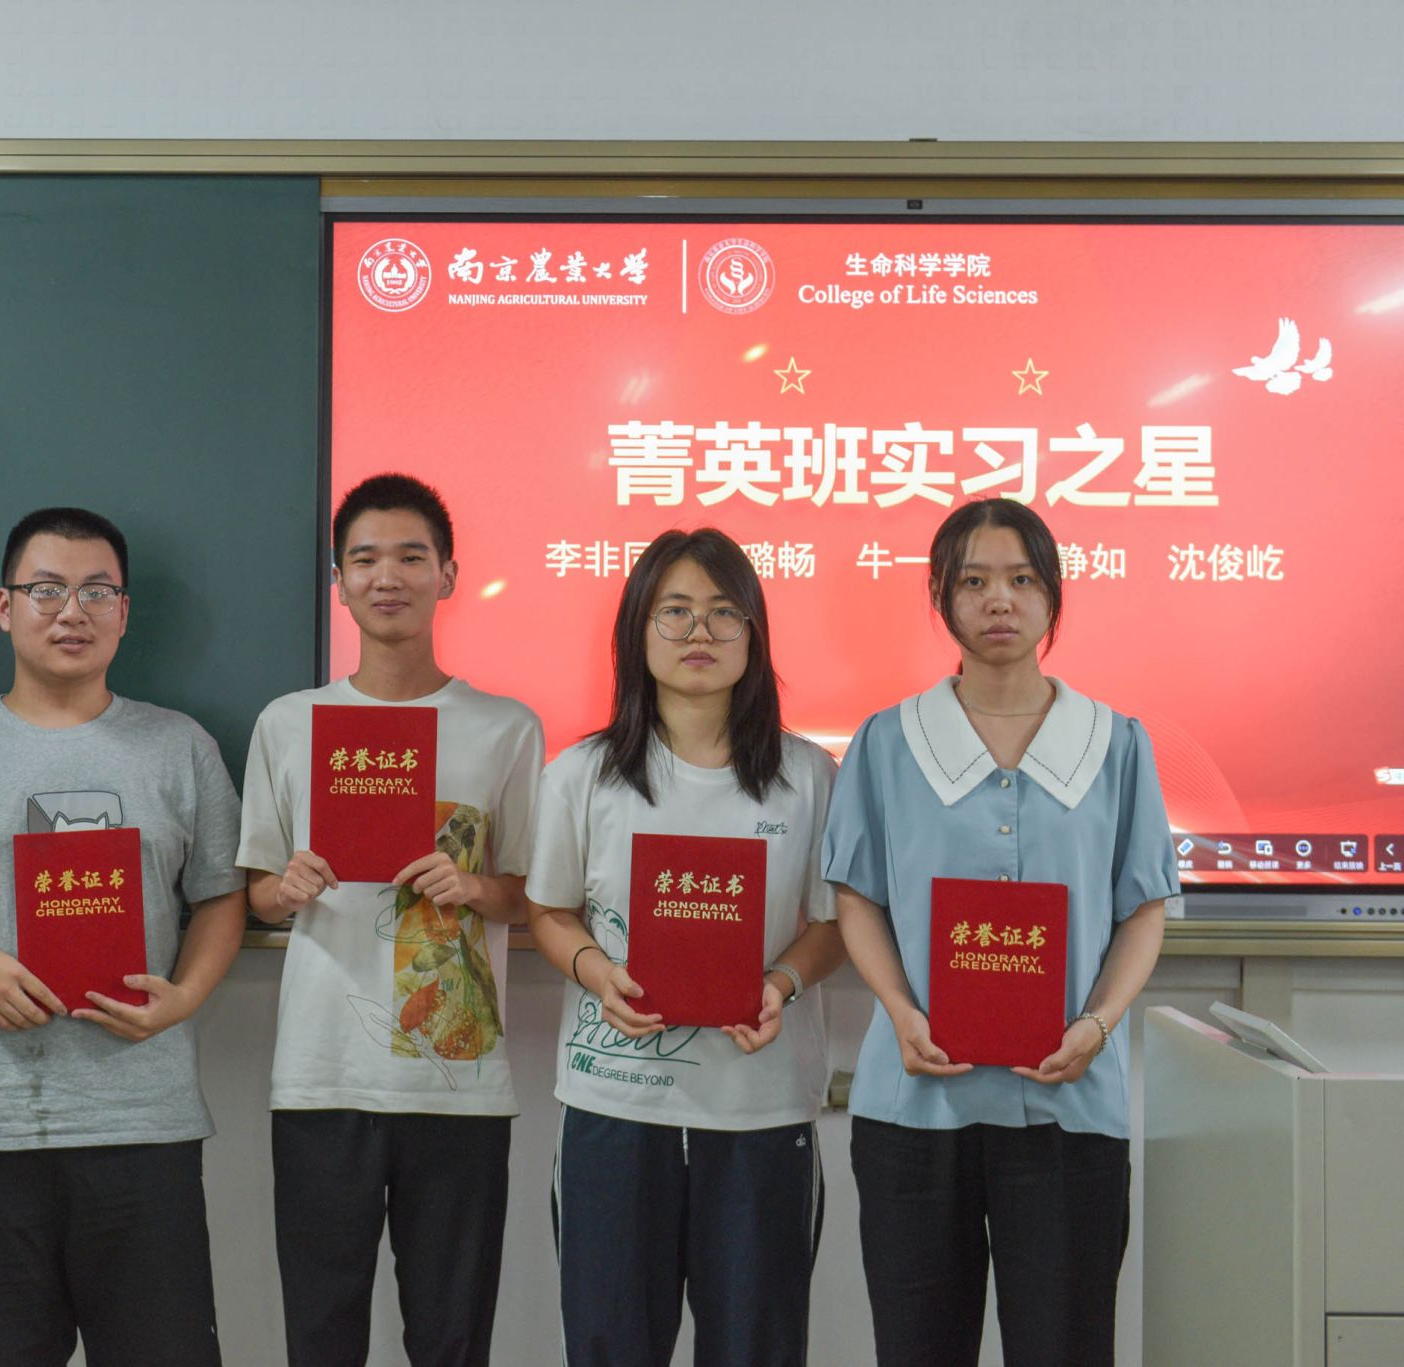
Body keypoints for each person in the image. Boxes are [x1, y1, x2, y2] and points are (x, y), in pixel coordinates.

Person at [0, 506, 244, 1367]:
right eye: (47, 589)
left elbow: (223, 894)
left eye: (98, 591)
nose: (73, 611)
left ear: (125, 612)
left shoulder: (179, 747)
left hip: (144, 1123)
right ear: (5, 606)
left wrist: (185, 996)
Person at [821, 497, 1179, 1367]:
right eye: (973, 581)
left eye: (1021, 579)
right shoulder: (887, 741)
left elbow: (1143, 910)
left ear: (1053, 594)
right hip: (915, 1103)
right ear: (941, 597)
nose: (999, 600)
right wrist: (901, 1010)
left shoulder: (1116, 744)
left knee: (1065, 1346)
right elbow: (857, 897)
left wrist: (1097, 1025)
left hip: (1069, 1105)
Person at [239, 473, 543, 1367]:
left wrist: (474, 887)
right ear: (338, 582)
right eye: (365, 558)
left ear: (448, 575)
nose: (388, 576)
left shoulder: (506, 727)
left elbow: (531, 894)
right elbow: (254, 893)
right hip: (322, 1073)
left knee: (452, 1336)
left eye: (412, 556)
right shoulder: (290, 723)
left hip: (458, 1078)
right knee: (320, 1332)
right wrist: (287, 887)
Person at [525, 529, 844, 1367]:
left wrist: (782, 982)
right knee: (610, 1344)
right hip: (617, 1106)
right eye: (674, 611)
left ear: (753, 634)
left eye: (722, 612)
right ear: (637, 629)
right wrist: (597, 972)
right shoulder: (582, 773)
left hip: (761, 1111)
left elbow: (831, 924)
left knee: (756, 1346)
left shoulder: (810, 777)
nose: (699, 631)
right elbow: (548, 910)